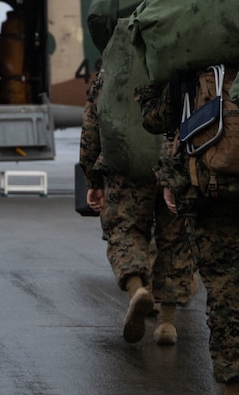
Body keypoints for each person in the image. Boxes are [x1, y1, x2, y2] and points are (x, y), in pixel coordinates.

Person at [138, 63, 239, 394]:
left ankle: (232, 386)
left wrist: (153, 80)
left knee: (225, 292)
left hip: (210, 195)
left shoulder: (192, 68)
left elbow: (156, 120)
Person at [79, 69, 196, 346]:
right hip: (173, 162)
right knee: (175, 240)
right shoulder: (177, 60)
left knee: (124, 231)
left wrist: (92, 177)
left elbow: (92, 124)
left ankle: (137, 291)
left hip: (126, 168)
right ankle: (167, 323)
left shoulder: (112, 70)